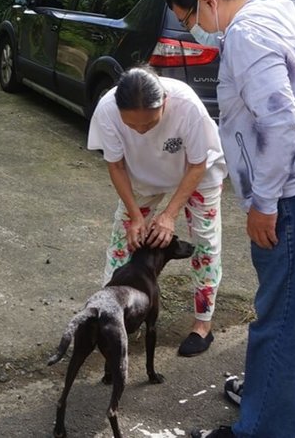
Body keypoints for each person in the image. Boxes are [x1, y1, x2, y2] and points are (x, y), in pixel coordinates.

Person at [165, 0, 295, 438]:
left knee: (281, 320)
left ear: (207, 1)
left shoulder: (247, 35)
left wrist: (265, 203)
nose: (192, 30)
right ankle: (280, 404)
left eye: (188, 18)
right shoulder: (286, 12)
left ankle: (264, 428)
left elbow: (282, 123)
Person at [88, 65, 227, 356]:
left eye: (148, 125)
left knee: (203, 245)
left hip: (196, 175)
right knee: (122, 243)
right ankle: (113, 315)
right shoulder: (106, 110)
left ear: (164, 101)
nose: (140, 131)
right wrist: (136, 217)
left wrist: (169, 214)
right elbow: (115, 165)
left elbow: (198, 164)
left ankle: (203, 323)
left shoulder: (187, 106)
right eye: (132, 126)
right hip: (142, 176)